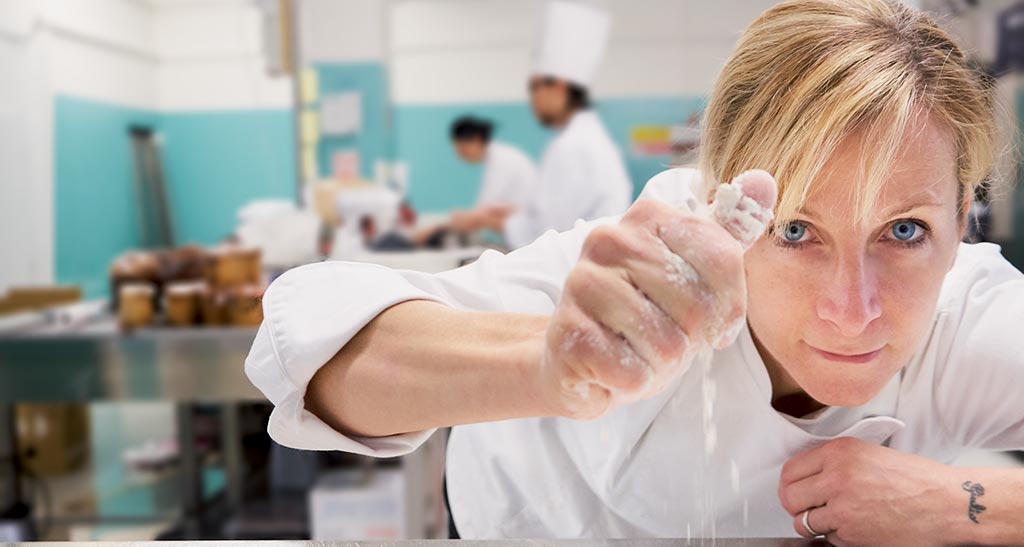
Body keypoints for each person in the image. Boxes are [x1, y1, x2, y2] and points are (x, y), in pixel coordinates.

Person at [245, 0, 1024, 544]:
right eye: (796, 230)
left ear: (964, 215)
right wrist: (547, 361)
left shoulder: (963, 326)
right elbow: (309, 346)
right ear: (728, 204)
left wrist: (964, 501)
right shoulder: (660, 278)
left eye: (904, 230)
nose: (853, 311)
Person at [449, 0, 633, 248]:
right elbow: (553, 215)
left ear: (559, 86)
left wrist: (492, 219)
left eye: (535, 88)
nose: (532, 99)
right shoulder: (585, 139)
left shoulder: (572, 148)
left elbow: (548, 233)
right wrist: (512, 214)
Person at [449, 116, 538, 213]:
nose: (460, 156)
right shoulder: (497, 157)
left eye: (462, 150)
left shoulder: (502, 160)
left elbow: (485, 206)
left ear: (477, 140)